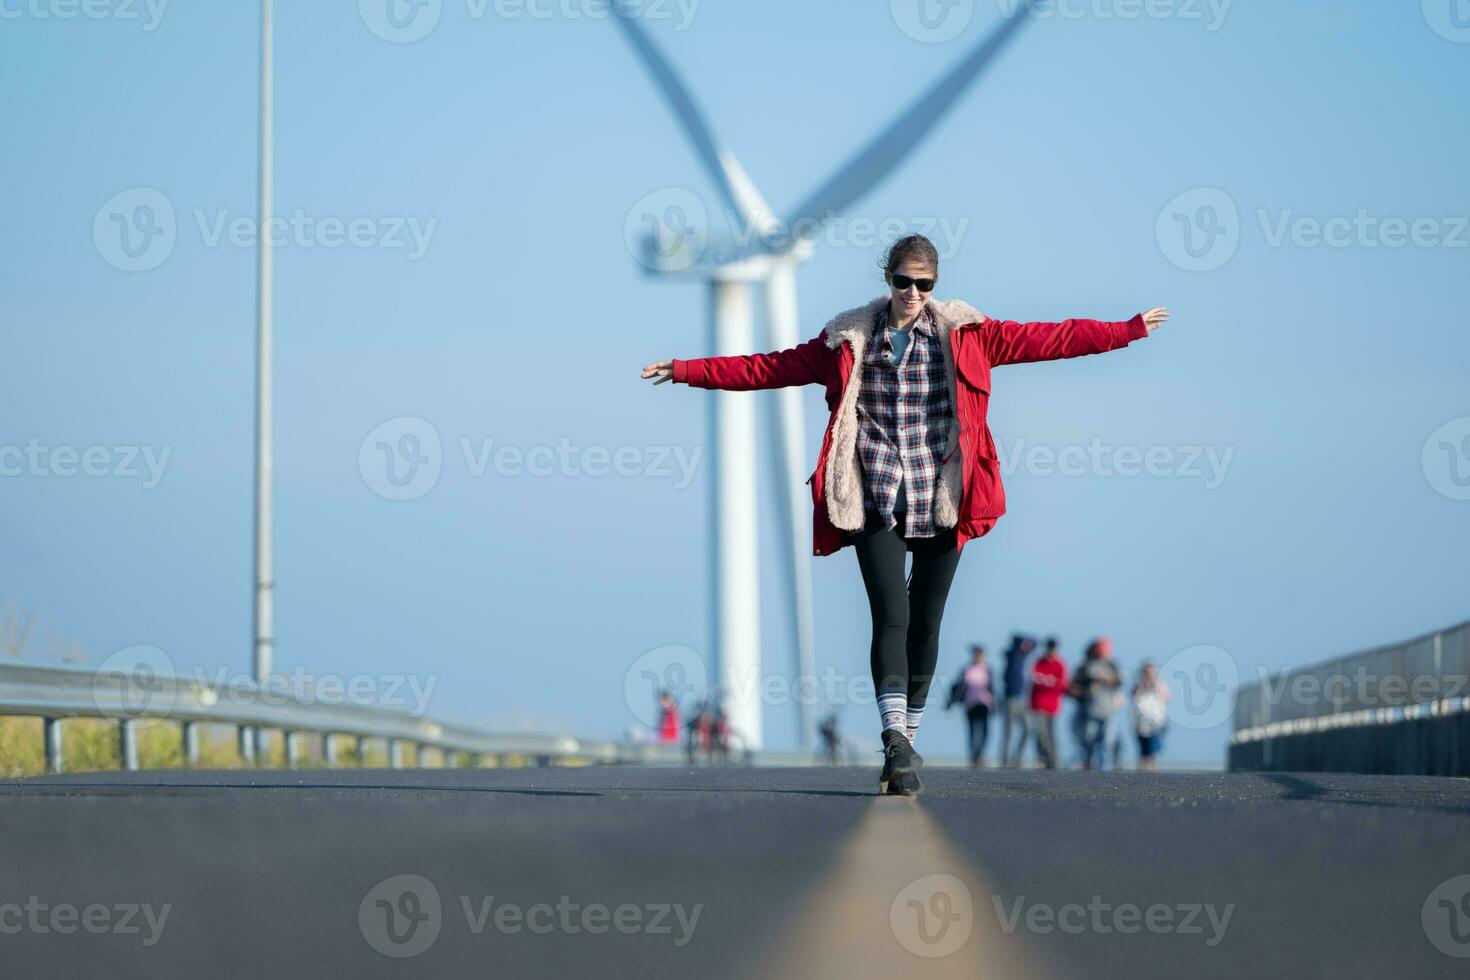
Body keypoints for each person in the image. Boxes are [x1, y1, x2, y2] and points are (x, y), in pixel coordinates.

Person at [643, 234, 1169, 796]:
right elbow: (769, 368)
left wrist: (1127, 330)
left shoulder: (968, 335)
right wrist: (686, 369)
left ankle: (907, 738)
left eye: (925, 284)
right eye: (904, 281)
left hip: (944, 491)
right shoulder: (846, 340)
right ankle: (894, 737)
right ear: (887, 280)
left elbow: (1054, 337)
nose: (914, 292)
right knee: (891, 615)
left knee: (928, 621)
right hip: (872, 490)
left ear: (935, 286)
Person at [1069, 637, 1123, 770]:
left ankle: (1105, 771)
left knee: (1107, 743)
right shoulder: (1086, 665)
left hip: (1108, 710)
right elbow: (1075, 686)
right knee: (1088, 742)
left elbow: (1119, 682)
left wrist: (1108, 680)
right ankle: (1087, 769)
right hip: (1089, 710)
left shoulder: (1112, 666)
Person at [946, 644, 995, 767]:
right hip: (970, 705)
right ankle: (974, 756)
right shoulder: (967, 670)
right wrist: (951, 703)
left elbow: (992, 689)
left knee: (984, 732)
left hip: (984, 704)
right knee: (972, 731)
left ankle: (980, 755)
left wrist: (994, 704)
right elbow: (958, 688)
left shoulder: (987, 670)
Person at [1028, 638, 1066, 768]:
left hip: (1053, 705)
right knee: (1040, 733)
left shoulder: (1060, 665)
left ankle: (1053, 761)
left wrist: (1048, 681)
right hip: (1038, 704)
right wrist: (1049, 681)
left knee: (1051, 734)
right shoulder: (1038, 663)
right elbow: (1035, 681)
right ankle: (1043, 758)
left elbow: (1062, 685)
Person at [1000, 633, 1036, 767]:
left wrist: (1027, 642)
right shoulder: (1012, 654)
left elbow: (1035, 642)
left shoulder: (1023, 656)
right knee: (1008, 731)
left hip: (1022, 699)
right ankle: (1005, 761)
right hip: (1010, 698)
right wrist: (1020, 643)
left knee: (1027, 729)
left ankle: (1016, 758)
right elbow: (1016, 639)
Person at [1131, 660, 1171, 771]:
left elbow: (1167, 698)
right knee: (1143, 750)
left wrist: (1155, 685)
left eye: (1151, 672)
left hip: (1156, 721)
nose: (1149, 674)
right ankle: (1142, 773)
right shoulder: (1138, 684)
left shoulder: (1161, 684)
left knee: (1153, 749)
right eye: (1146, 672)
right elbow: (1134, 696)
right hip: (1140, 722)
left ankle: (1153, 772)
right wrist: (1143, 685)